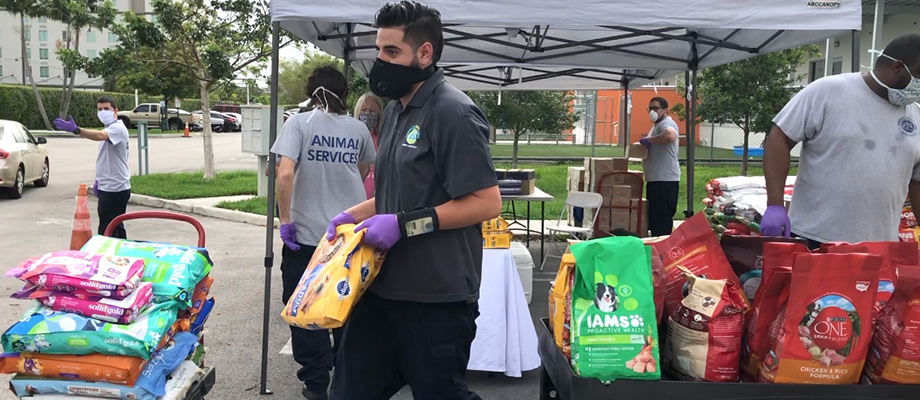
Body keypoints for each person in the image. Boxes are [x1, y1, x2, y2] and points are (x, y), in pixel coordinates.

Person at [325, 2, 501, 399]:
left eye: (392, 52)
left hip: (435, 299)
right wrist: (349, 216)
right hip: (381, 291)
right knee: (348, 391)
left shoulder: (453, 112)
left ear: (425, 54)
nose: (381, 62)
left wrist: (403, 225)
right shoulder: (396, 111)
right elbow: (392, 191)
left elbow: (486, 202)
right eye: (379, 51)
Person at [270, 65, 376, 400]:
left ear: (310, 92)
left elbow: (284, 174)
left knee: (305, 309)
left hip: (305, 237)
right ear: (345, 94)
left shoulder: (297, 124)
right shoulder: (358, 128)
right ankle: (345, 377)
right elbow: (363, 169)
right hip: (349, 236)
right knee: (347, 305)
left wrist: (285, 219)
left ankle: (316, 382)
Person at [762, 33, 920, 248]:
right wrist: (775, 205)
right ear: (898, 67)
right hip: (815, 237)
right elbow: (778, 139)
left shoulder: (916, 115)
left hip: (880, 246)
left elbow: (917, 179)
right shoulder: (829, 92)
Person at [53, 96, 131, 238]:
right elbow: (105, 159)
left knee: (108, 231)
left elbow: (100, 135)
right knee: (114, 227)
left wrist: (77, 130)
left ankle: (111, 257)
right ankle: (121, 256)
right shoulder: (110, 129)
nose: (102, 112)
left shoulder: (117, 128)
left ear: (115, 111)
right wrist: (98, 181)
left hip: (114, 188)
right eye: (99, 109)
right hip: (108, 186)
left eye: (106, 109)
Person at [638, 97, 680, 236]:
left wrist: (649, 140)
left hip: (665, 180)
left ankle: (663, 249)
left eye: (655, 108)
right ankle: (657, 247)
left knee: (661, 219)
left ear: (665, 110)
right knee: (655, 218)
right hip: (655, 179)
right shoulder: (656, 126)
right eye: (649, 108)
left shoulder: (666, 123)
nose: (652, 112)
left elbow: (670, 136)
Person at [354, 93, 384, 199]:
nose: (367, 114)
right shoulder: (352, 138)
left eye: (372, 111)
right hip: (357, 198)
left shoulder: (385, 138)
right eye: (363, 110)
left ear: (379, 113)